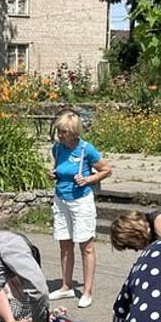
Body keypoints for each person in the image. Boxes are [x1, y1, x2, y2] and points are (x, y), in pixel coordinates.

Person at [47, 111, 111, 309]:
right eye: (58, 131)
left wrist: (88, 180)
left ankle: (87, 291)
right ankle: (66, 286)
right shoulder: (57, 148)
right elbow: (59, 169)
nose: (59, 135)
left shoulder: (86, 149)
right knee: (64, 243)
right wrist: (53, 174)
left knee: (86, 245)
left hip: (81, 201)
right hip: (61, 199)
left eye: (63, 131)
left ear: (74, 132)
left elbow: (106, 169)